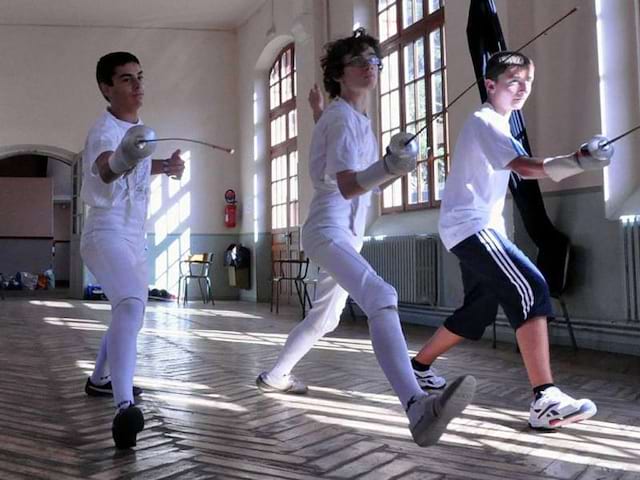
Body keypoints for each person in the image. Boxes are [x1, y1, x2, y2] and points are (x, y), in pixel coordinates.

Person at [256, 29, 476, 447]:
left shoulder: (350, 118)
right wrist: (390, 166)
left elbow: (343, 158)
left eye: (375, 61)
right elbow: (346, 186)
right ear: (340, 73)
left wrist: (393, 164)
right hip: (328, 229)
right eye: (359, 61)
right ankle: (415, 405)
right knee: (381, 294)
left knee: (325, 318)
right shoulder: (343, 118)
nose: (369, 67)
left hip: (347, 234)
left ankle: (276, 376)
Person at [410, 51, 611, 429]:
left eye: (527, 82)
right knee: (532, 285)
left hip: (470, 228)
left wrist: (578, 160)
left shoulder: (499, 124)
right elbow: (524, 167)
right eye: (512, 81)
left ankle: (418, 366)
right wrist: (578, 160)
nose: (522, 89)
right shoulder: (485, 121)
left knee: (479, 310)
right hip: (471, 227)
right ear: (490, 85)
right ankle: (544, 399)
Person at [80, 51, 185, 448]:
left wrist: (165, 166)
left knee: (129, 309)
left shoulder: (138, 128)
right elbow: (107, 167)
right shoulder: (103, 131)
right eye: (126, 79)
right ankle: (124, 407)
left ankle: (98, 381)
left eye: (139, 77)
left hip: (132, 237)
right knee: (129, 304)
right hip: (104, 233)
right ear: (107, 88)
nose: (138, 85)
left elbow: (137, 162)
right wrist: (132, 154)